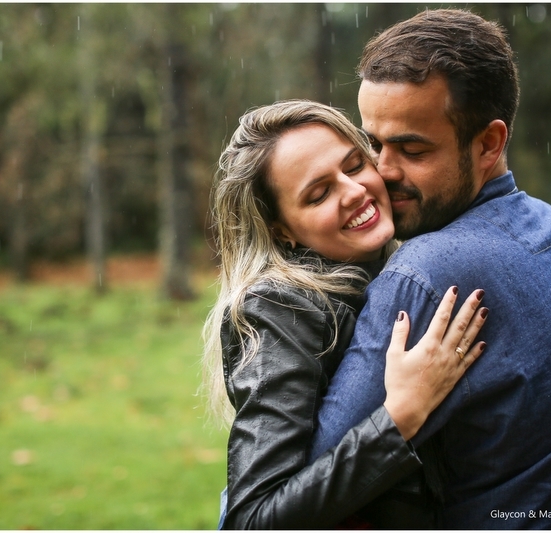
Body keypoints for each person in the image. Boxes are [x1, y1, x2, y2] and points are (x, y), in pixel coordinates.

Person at [310, 9, 551, 529]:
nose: (383, 171)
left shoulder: (426, 274)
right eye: (373, 143)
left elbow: (305, 493)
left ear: (488, 143)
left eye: (413, 149)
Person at [202, 100, 490, 529]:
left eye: (355, 166)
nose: (354, 191)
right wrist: (400, 417)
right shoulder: (281, 308)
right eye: (318, 194)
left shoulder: (392, 269)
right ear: (281, 229)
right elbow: (254, 518)